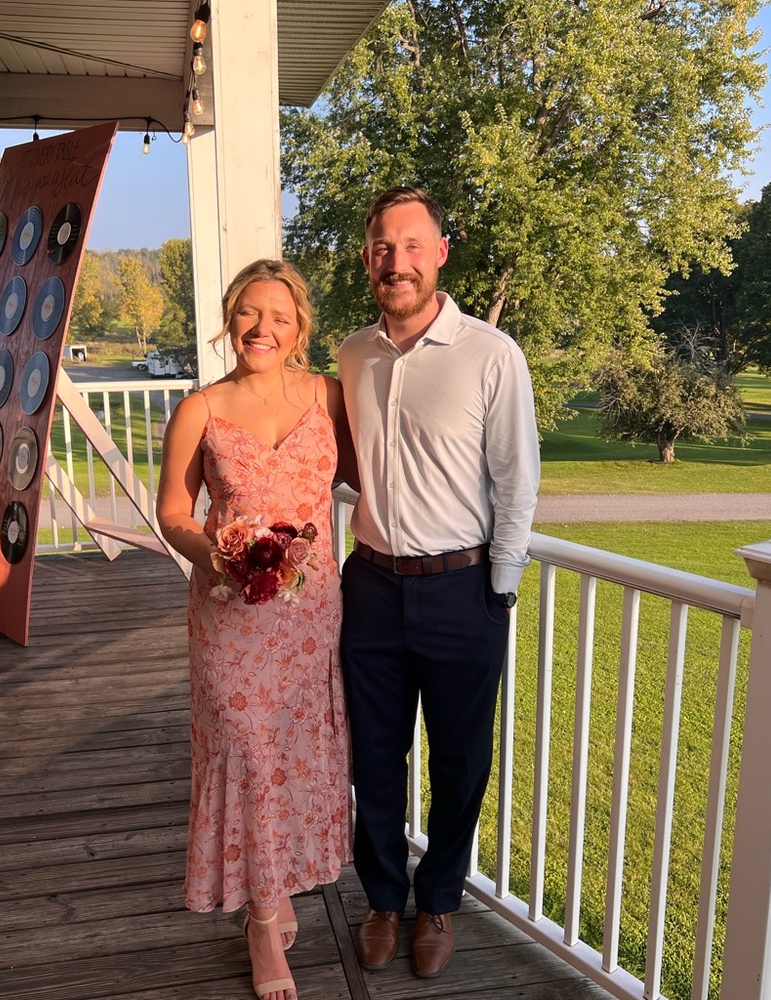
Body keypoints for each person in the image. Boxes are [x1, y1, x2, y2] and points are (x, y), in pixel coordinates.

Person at [338, 187, 540, 979]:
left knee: (460, 762)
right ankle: (385, 899)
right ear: (368, 260)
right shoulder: (353, 355)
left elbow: (517, 482)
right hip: (372, 591)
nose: (398, 261)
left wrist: (499, 590)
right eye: (384, 247)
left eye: (413, 245)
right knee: (375, 758)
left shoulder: (493, 354)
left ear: (441, 252)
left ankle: (440, 903)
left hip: (464, 589)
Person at [157, 258, 355, 1000]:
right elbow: (174, 511)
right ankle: (264, 920)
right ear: (229, 317)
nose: (260, 328)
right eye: (248, 312)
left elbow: (376, 474)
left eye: (277, 315)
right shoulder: (201, 409)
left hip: (310, 616)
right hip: (230, 613)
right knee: (243, 745)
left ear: (300, 326)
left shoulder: (329, 396)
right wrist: (216, 554)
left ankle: (273, 897)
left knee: (294, 752)